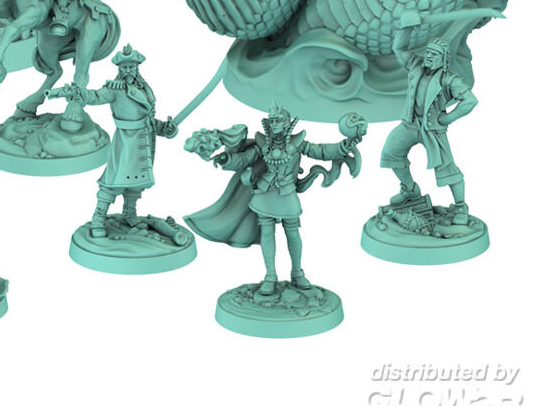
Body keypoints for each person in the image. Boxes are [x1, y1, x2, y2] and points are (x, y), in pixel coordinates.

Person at [185, 105, 366, 295]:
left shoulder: (298, 143)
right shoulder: (263, 144)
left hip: (287, 193)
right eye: (272, 120)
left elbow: (321, 151)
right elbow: (244, 159)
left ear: (287, 122)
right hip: (264, 193)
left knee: (293, 233)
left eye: (278, 120)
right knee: (267, 233)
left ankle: (297, 273)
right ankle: (270, 276)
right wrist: (227, 159)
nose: (274, 124)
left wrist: (344, 145)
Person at [55, 45, 176, 236]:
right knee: (113, 181)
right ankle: (98, 218)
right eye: (125, 67)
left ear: (137, 67)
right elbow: (95, 96)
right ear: (120, 69)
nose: (128, 70)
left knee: (137, 183)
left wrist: (164, 128)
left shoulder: (144, 88)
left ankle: (130, 213)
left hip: (144, 139)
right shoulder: (115, 89)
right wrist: (78, 92)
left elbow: (148, 117)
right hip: (126, 142)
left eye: (131, 66)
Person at [381, 15, 477, 225]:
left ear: (443, 59)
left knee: (447, 168)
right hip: (410, 123)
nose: (429, 57)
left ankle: (461, 206)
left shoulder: (449, 79)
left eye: (434, 55)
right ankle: (410, 189)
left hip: (432, 128)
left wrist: (448, 118)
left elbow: (470, 101)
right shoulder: (416, 65)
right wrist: (408, 27)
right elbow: (399, 48)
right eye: (428, 52)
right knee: (391, 153)